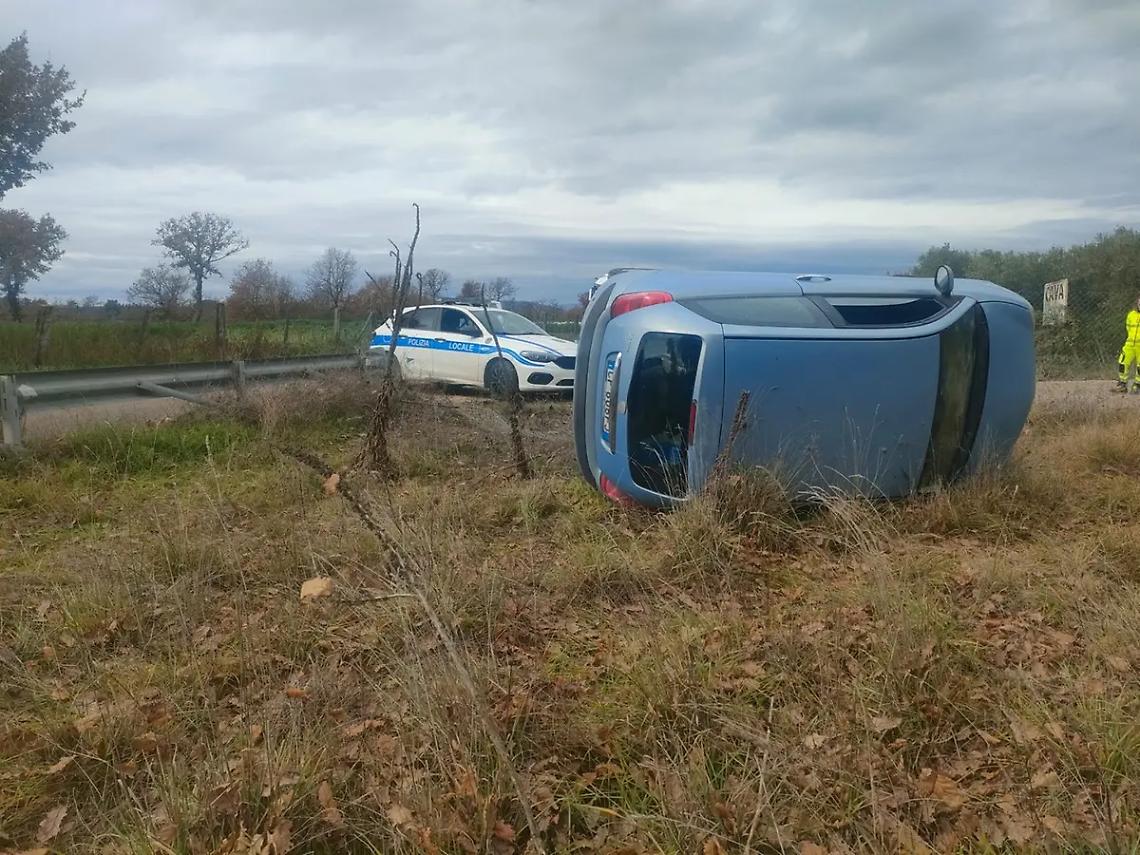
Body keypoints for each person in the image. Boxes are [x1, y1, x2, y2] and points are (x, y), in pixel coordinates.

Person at [1116, 294, 1140, 393]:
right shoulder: (1131, 315)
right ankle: (1122, 384)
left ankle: (1138, 385)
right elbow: (1128, 328)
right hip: (1130, 344)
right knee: (1123, 362)